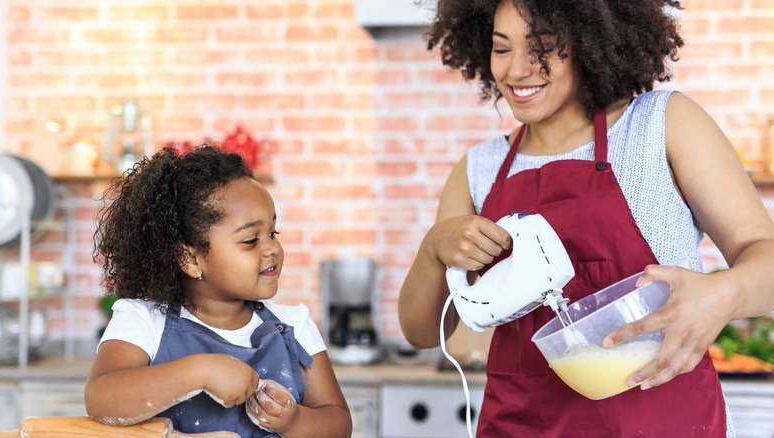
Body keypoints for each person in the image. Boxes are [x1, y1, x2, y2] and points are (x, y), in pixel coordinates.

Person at [399, 0, 774, 436]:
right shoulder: (478, 170)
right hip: (520, 426)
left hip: (663, 421)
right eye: (502, 49)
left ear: (590, 42)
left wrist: (721, 294)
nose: (517, 70)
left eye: (542, 47)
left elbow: (764, 257)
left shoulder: (660, 125)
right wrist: (433, 250)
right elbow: (423, 333)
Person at [85, 145, 352, 437]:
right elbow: (101, 399)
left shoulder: (294, 327)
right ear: (190, 258)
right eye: (251, 240)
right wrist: (200, 372)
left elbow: (339, 424)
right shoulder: (144, 320)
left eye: (273, 233)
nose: (272, 248)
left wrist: (294, 421)